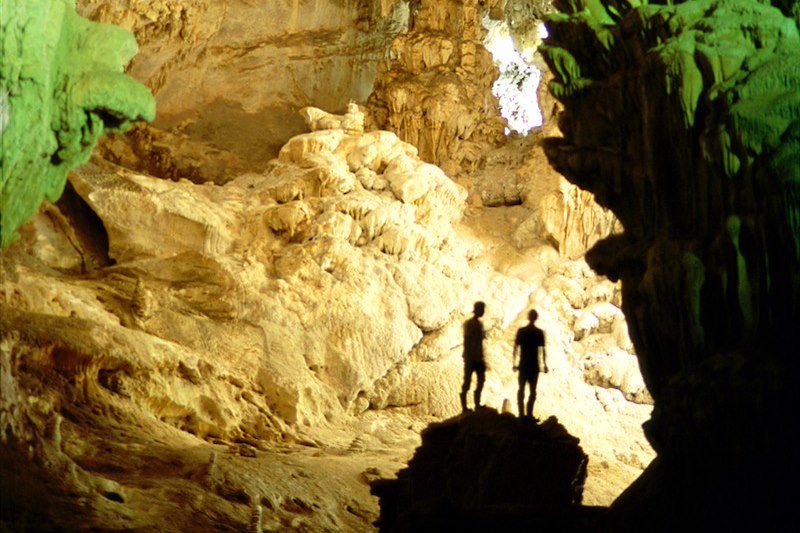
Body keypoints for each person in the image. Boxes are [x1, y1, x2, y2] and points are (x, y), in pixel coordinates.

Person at [512, 309, 549, 419]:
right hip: (534, 365)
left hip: (523, 364)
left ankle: (521, 414)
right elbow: (542, 351)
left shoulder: (522, 331)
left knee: (521, 389)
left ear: (528, 317)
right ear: (536, 318)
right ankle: (529, 414)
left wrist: (514, 363)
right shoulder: (539, 333)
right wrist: (544, 364)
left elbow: (516, 348)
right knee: (533, 391)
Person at [460, 301, 486, 412]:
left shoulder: (479, 324)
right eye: (482, 310)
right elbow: (468, 341)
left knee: (480, 380)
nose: (483, 312)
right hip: (471, 358)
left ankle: (476, 404)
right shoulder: (470, 324)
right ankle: (466, 407)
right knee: (468, 382)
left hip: (477, 357)